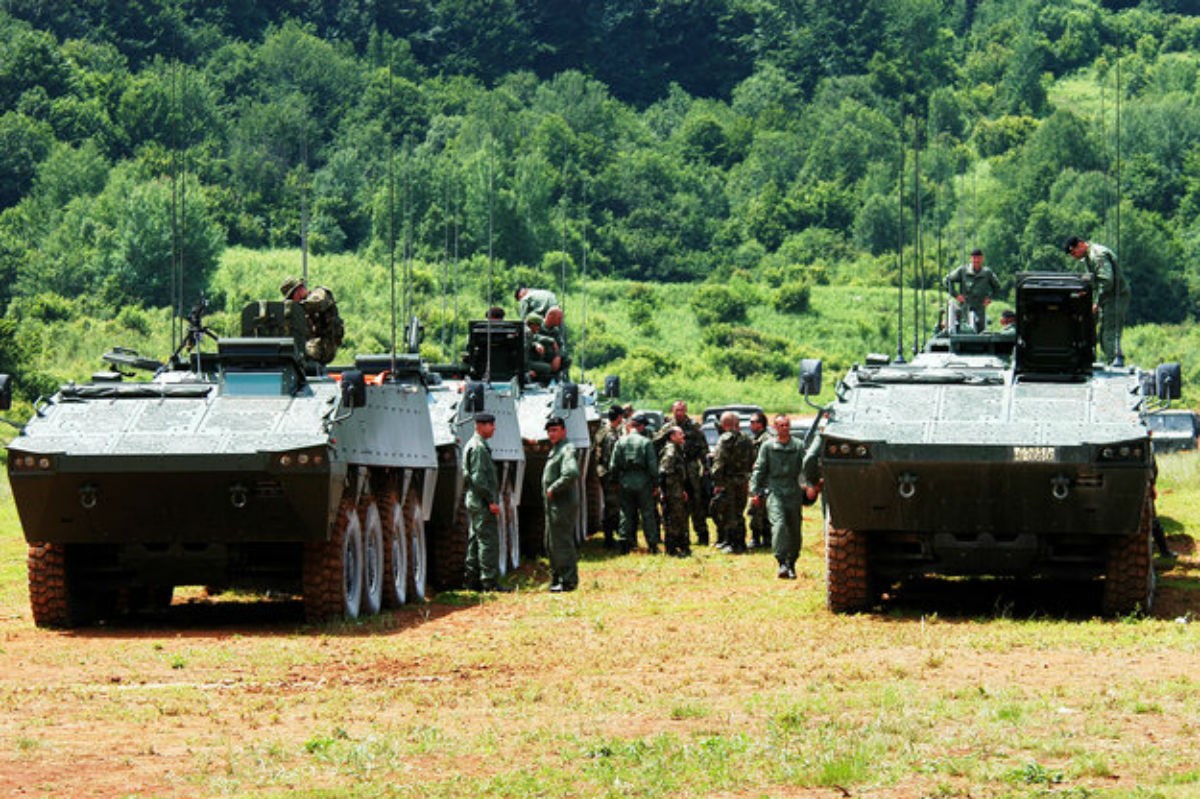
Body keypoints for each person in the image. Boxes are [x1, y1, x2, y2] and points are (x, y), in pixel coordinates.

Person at [750, 414, 819, 579]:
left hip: (793, 491)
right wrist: (754, 492)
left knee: (794, 528)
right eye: (781, 425)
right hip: (775, 491)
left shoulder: (798, 445)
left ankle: (792, 563)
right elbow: (759, 469)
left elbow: (806, 467)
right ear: (774, 427)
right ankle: (781, 562)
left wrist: (810, 485)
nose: (784, 428)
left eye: (787, 425)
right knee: (779, 525)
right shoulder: (767, 447)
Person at [461, 413, 513, 592]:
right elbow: (478, 478)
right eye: (490, 424)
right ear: (479, 426)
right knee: (488, 541)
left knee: (475, 540)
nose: (494, 428)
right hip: (481, 501)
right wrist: (490, 500)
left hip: (475, 500)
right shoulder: (478, 448)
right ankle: (489, 582)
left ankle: (472, 580)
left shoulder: (477, 445)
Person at [1064, 235, 1131, 365]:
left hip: (1115, 296)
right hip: (1109, 296)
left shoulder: (1097, 255)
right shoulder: (1089, 257)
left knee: (1109, 332)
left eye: (1074, 252)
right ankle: (1110, 359)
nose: (1074, 256)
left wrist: (1096, 302)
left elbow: (1106, 281)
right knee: (1101, 334)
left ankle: (1116, 361)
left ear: (1081, 244)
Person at [654, 401, 710, 546]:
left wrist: (706, 469)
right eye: (677, 410)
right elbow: (657, 445)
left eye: (682, 410)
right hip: (674, 469)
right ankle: (679, 535)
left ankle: (702, 533)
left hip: (691, 468)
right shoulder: (667, 428)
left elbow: (704, 448)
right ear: (672, 410)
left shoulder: (694, 427)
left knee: (696, 502)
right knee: (676, 503)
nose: (680, 413)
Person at [609, 413, 660, 553]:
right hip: (643, 481)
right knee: (647, 513)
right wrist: (656, 484)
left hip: (625, 480)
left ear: (630, 426)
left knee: (626, 513)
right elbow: (653, 467)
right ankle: (652, 545)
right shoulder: (646, 442)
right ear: (641, 427)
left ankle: (625, 544)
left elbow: (613, 465)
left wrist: (615, 481)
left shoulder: (620, 442)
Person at [542, 417, 581, 591]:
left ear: (564, 431)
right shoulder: (557, 448)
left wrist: (553, 488)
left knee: (562, 542)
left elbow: (571, 472)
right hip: (554, 505)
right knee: (551, 542)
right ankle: (558, 578)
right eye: (549, 431)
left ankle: (568, 581)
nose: (551, 434)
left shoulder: (567, 449)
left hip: (562, 504)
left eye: (555, 430)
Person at [711, 411, 756, 554]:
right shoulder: (747, 439)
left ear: (725, 425)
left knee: (729, 513)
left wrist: (717, 482)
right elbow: (753, 460)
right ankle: (740, 543)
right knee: (738, 512)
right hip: (743, 480)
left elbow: (719, 463)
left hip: (728, 481)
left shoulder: (725, 439)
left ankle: (732, 544)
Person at [280, 277, 345, 364]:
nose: (293, 300)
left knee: (303, 352)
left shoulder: (319, 293)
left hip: (326, 345)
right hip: (314, 344)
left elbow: (317, 302)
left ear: (299, 289)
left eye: (292, 296)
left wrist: (294, 306)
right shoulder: (302, 312)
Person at [942, 249, 1001, 333]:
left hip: (980, 307)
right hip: (965, 306)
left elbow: (997, 287)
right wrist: (956, 295)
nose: (976, 260)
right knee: (964, 329)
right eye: (974, 258)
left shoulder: (987, 273)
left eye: (978, 258)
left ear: (982, 259)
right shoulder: (963, 270)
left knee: (981, 331)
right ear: (971, 258)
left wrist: (990, 298)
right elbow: (947, 280)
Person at [592, 405, 624, 549]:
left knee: (609, 506)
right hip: (610, 475)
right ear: (619, 417)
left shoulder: (602, 431)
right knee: (612, 507)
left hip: (602, 472)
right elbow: (612, 459)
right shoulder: (611, 435)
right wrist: (616, 478)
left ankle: (610, 537)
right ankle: (609, 540)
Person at [658, 425, 691, 557]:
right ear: (672, 437)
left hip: (677, 490)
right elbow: (664, 472)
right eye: (679, 434)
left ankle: (681, 546)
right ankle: (671, 548)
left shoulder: (677, 449)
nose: (683, 436)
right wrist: (664, 492)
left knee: (680, 518)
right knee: (672, 519)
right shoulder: (670, 451)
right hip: (671, 492)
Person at [747, 411, 771, 550]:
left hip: (764, 480)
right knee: (756, 510)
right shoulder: (757, 438)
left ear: (760, 424)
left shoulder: (766, 439)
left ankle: (764, 539)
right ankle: (757, 538)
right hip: (757, 478)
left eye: (753, 422)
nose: (751, 424)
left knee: (760, 509)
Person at [524, 313, 560, 382]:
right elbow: (523, 355)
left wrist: (536, 344)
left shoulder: (525, 330)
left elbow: (535, 338)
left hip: (524, 363)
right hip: (524, 365)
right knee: (547, 368)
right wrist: (527, 371)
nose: (539, 328)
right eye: (538, 325)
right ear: (532, 325)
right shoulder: (528, 333)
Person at [542, 306, 571, 377]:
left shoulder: (555, 330)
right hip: (541, 355)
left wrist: (558, 356)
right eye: (559, 318)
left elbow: (562, 345)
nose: (560, 321)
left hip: (552, 357)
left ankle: (554, 377)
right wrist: (550, 340)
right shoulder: (539, 326)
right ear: (550, 316)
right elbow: (534, 337)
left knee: (567, 359)